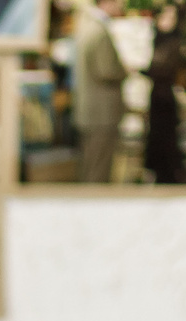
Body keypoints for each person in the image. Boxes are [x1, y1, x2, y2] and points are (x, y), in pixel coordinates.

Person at [74, 0, 128, 184]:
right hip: (101, 111)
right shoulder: (99, 30)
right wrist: (125, 70)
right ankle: (93, 211)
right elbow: (106, 70)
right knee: (99, 170)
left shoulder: (87, 26)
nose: (122, 5)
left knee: (90, 165)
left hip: (91, 110)